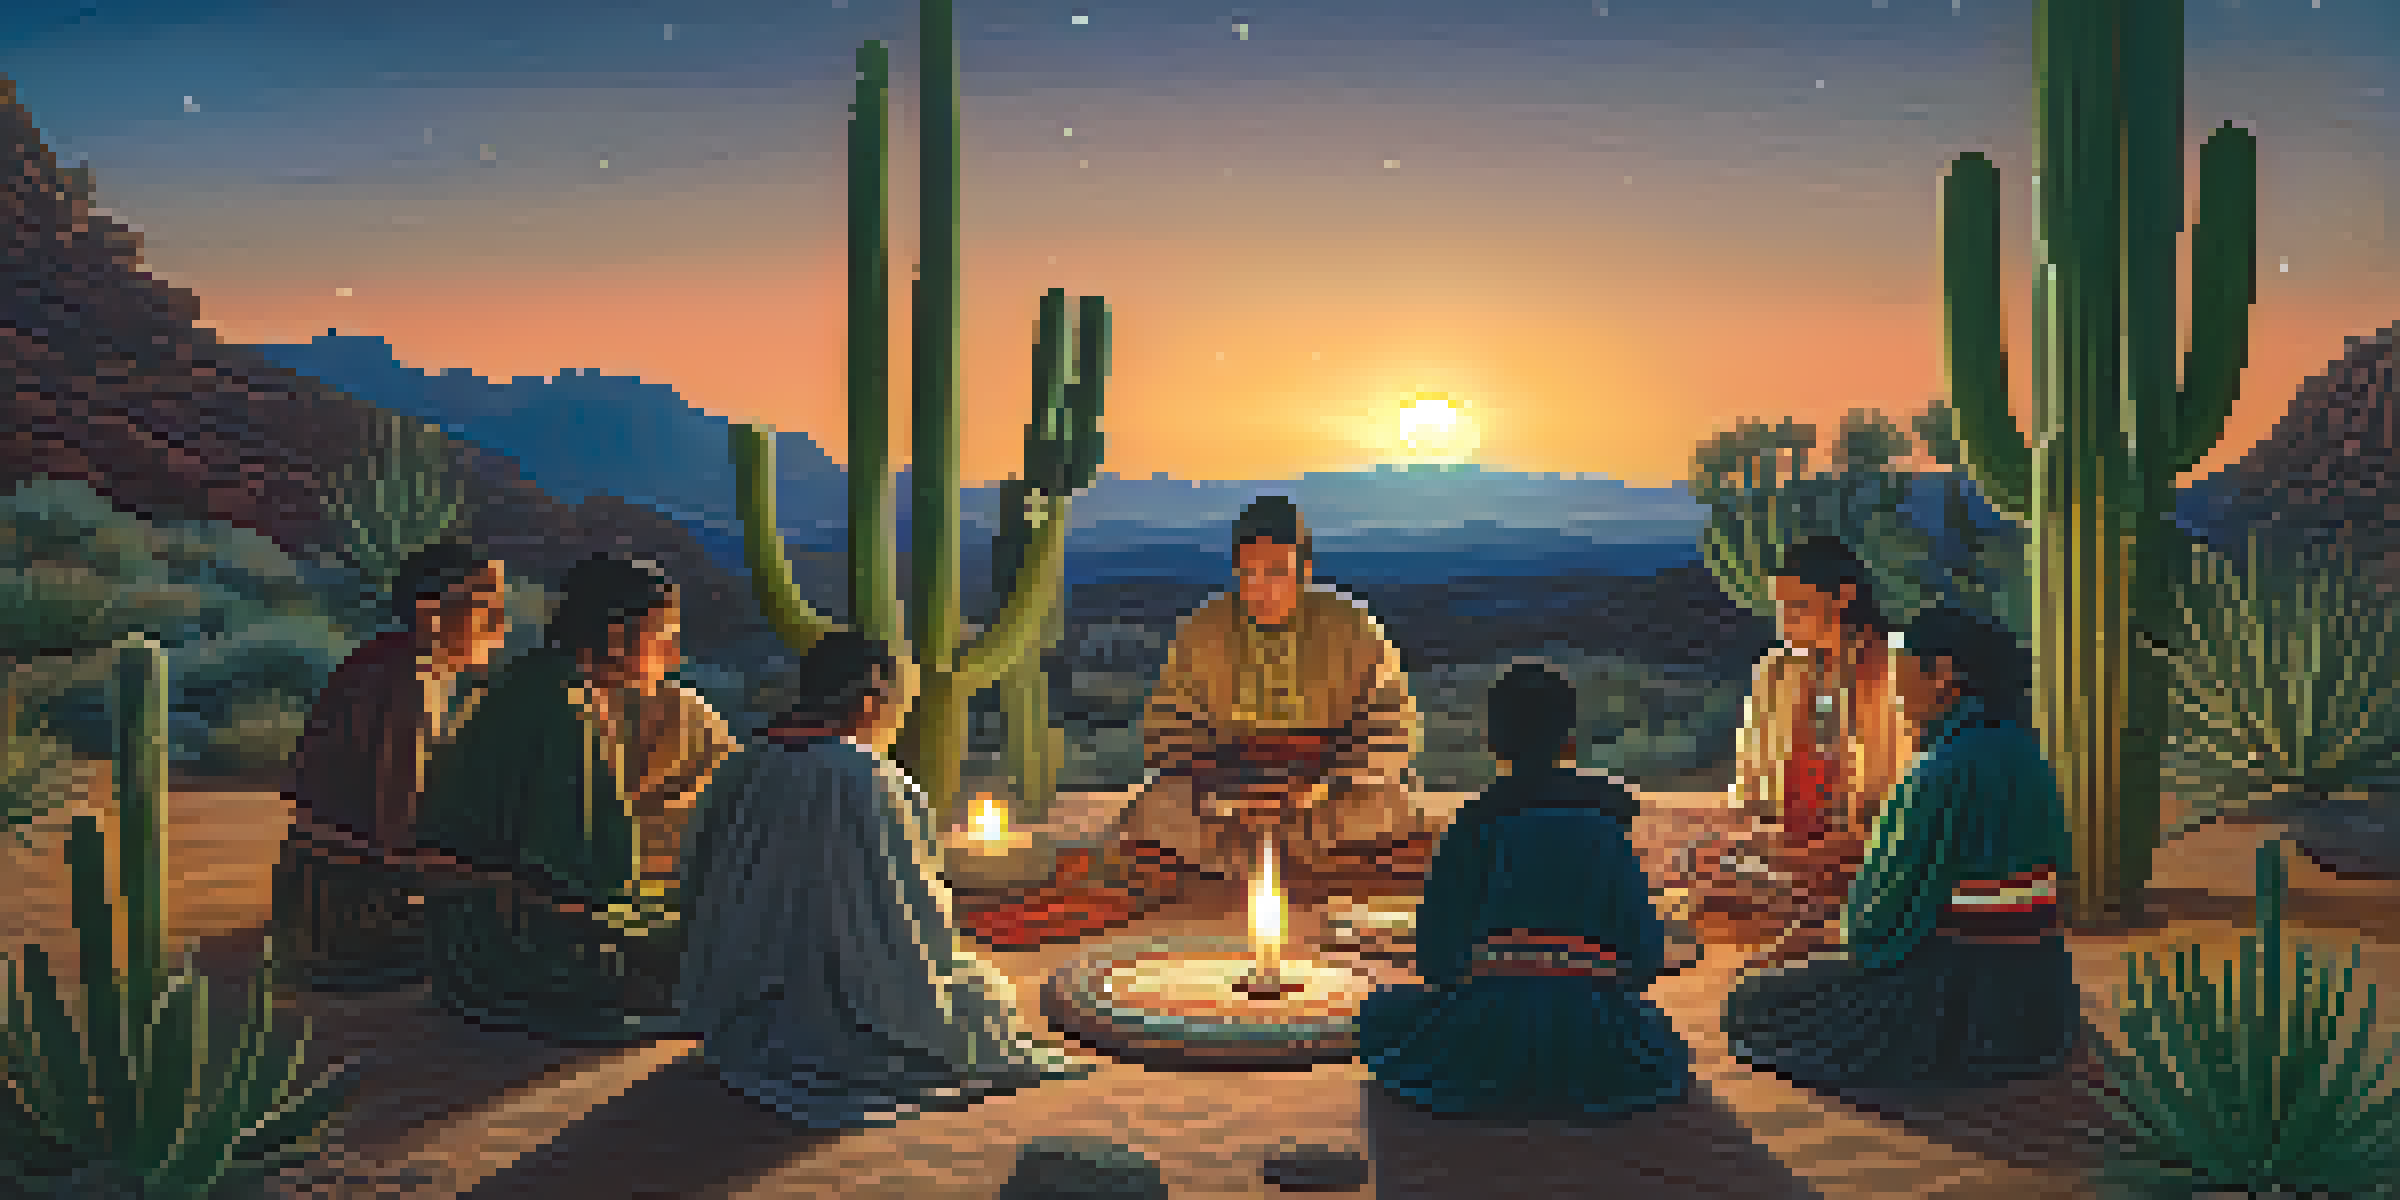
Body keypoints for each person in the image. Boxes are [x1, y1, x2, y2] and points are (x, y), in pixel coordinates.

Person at [675, 629, 1093, 1128]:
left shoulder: (747, 760)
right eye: (898, 701)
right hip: (847, 978)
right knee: (977, 1005)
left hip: (747, 993)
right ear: (872, 700)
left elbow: (702, 869)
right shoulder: (865, 776)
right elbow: (911, 906)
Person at [1720, 605, 2077, 1089]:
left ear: (1943, 676)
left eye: (1903, 669)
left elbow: (1875, 920)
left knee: (1750, 1003)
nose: (1897, 688)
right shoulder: (2024, 752)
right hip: (2038, 994)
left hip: (1949, 993)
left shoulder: (1937, 771)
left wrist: (1814, 936)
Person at [1356, 661, 1691, 1121]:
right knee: (1662, 1039)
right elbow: (1645, 956)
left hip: (1485, 1024)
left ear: (1494, 745)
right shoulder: (1607, 829)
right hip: (1591, 1030)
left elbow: (1434, 959)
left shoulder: (1472, 827)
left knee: (1379, 1013)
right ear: (1570, 742)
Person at [415, 552, 688, 1042]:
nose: (670, 655)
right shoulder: (561, 707)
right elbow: (565, 875)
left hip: (487, 922)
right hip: (509, 938)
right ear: (614, 635)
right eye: (661, 635)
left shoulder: (546, 685)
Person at [1114, 495, 1432, 890]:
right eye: (1248, 573)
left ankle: (1254, 868)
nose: (1260, 588)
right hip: (1226, 793)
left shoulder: (1351, 625)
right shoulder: (1204, 627)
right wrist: (1220, 785)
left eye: (1276, 573)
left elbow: (1390, 721)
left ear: (1305, 571)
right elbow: (1170, 722)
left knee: (1388, 806)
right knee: (1155, 810)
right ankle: (1287, 867)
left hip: (1326, 793)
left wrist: (1330, 782)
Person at [272, 539, 509, 991]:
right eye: (486, 607)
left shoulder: (399, 664)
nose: (500, 624)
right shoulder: (410, 681)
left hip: (325, 894)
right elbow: (399, 831)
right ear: (431, 615)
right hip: (347, 914)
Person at [1726, 535, 1913, 956]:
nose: (1785, 622)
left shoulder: (1901, 667)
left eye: (1797, 608)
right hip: (1796, 842)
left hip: (1877, 845)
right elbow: (1754, 766)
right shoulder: (1777, 670)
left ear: (1843, 598)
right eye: (1781, 609)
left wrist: (1861, 838)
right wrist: (1765, 830)